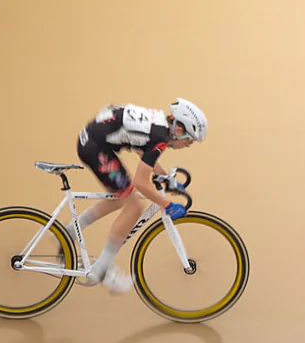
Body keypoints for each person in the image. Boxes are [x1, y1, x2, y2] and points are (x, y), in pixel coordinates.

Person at [69, 99, 208, 293]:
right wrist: (167, 205)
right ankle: (102, 268)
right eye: (190, 139)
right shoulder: (160, 137)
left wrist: (165, 177)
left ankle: (70, 232)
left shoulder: (159, 126)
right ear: (178, 129)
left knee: (119, 198)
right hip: (96, 147)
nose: (189, 145)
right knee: (134, 206)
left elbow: (143, 151)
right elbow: (142, 183)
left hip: (94, 141)